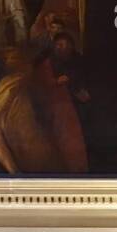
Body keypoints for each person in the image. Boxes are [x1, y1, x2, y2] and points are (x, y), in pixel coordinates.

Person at [32, 32, 89, 173]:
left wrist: (78, 91)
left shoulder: (76, 61)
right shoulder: (47, 62)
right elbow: (40, 82)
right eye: (59, 44)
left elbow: (78, 80)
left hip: (70, 102)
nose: (62, 48)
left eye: (66, 45)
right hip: (56, 103)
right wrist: (57, 82)